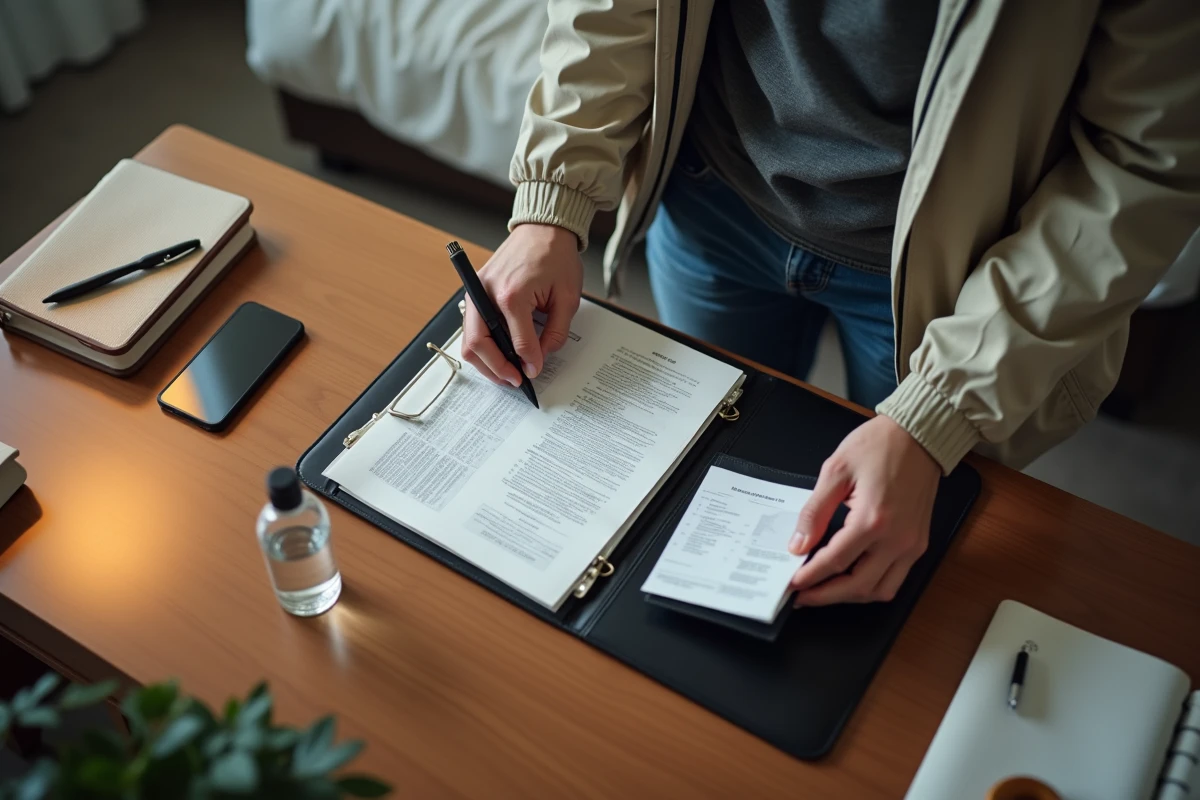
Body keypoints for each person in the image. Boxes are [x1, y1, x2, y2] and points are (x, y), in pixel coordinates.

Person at [460, 1, 1200, 606]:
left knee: (887, 556)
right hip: (712, 194)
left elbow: (1147, 158)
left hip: (959, 285)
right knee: (695, 491)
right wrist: (551, 200)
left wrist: (941, 409)